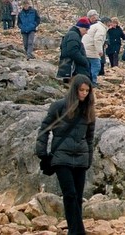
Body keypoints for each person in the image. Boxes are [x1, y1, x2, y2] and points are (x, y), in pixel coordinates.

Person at [36, 74, 96, 235]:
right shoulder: (59, 106)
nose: (83, 93)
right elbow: (44, 129)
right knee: (69, 195)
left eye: (87, 90)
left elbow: (90, 137)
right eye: (81, 90)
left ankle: (75, 230)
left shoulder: (89, 110)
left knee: (77, 198)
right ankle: (76, 231)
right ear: (74, 90)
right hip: (62, 156)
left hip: (81, 157)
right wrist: (42, 153)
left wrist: (89, 159)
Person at [82, 12, 107, 87]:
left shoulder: (93, 26)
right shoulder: (100, 28)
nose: (95, 18)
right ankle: (93, 82)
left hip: (85, 48)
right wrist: (100, 50)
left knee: (89, 66)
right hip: (92, 49)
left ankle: (87, 81)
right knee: (96, 65)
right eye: (93, 17)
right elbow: (98, 39)